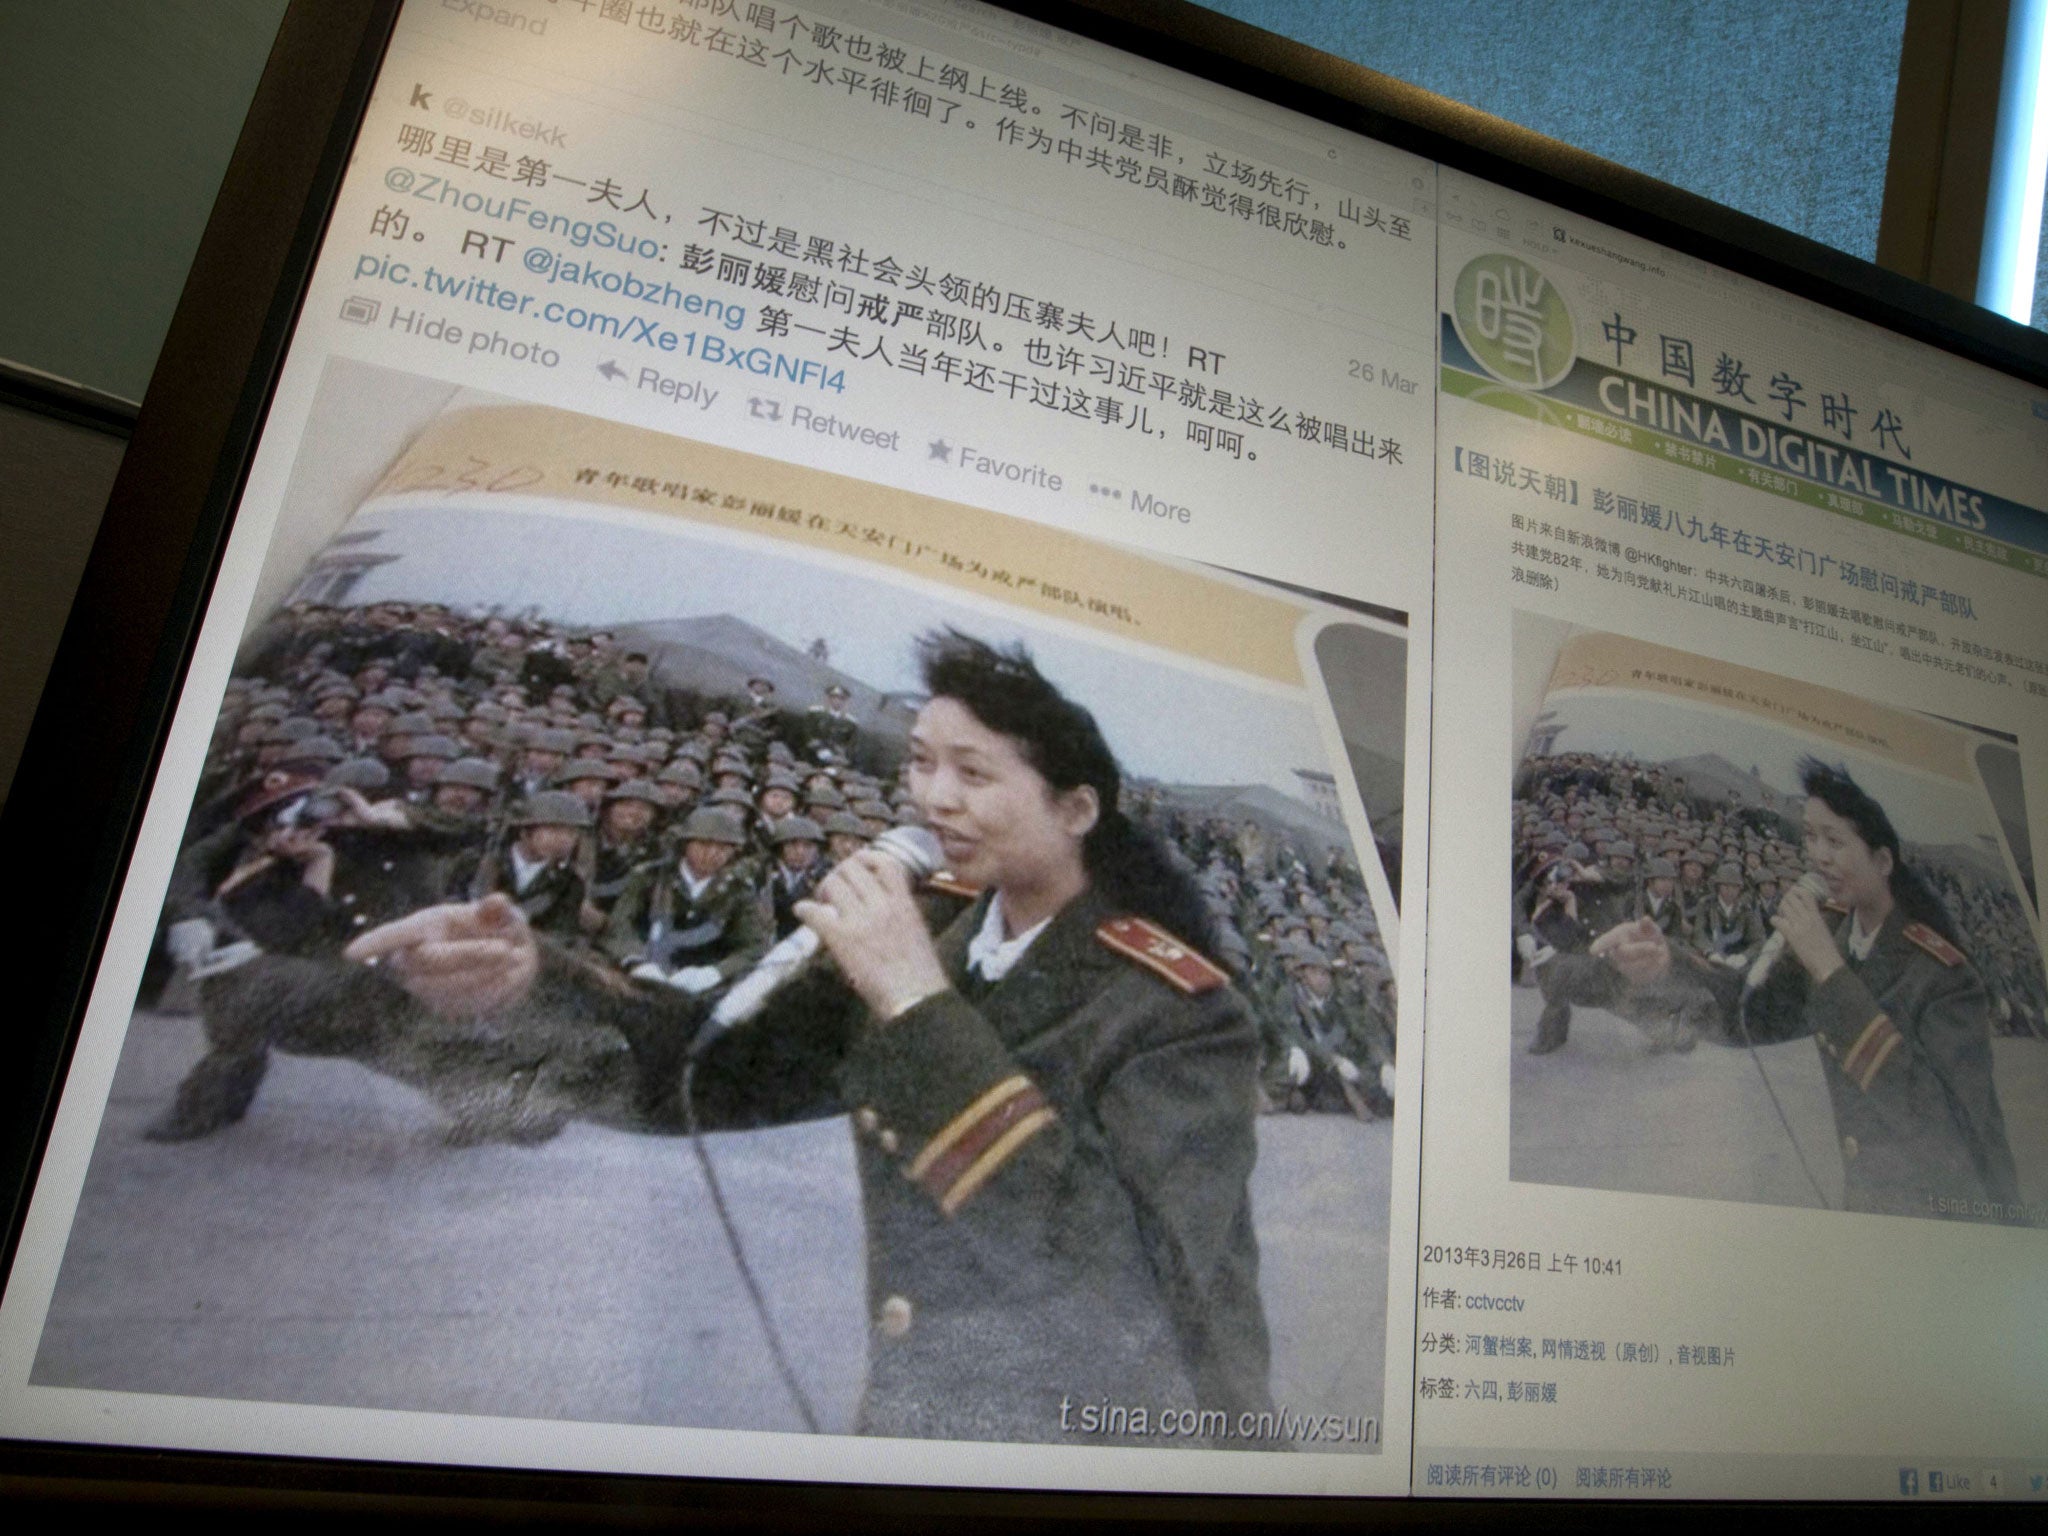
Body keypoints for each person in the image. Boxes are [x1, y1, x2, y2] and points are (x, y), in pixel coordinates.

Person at [348, 629, 1274, 1444]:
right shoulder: (939, 933)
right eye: (921, 763)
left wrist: (916, 1004)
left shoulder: (1177, 1013)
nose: (933, 799)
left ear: (1074, 810)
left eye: (975, 773)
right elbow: (707, 1070)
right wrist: (535, 978)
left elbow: (1128, 1288)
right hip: (930, 1415)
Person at [1600, 759, 2025, 1223]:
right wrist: (1669, 964)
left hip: (1946, 1223)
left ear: (1883, 861)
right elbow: (1752, 1014)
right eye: (1810, 837)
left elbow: (1946, 1130)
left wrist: (1829, 970)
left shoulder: (1943, 975)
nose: (1818, 856)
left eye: (1836, 841)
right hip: (1866, 1203)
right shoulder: (1836, 931)